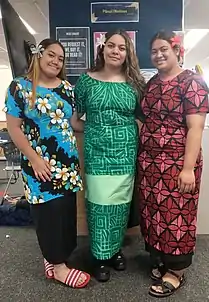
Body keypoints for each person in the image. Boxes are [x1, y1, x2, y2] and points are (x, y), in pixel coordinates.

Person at [3, 38, 90, 288]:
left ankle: (55, 258)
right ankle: (58, 267)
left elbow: (73, 123)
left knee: (64, 215)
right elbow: (14, 127)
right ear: (38, 55)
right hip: (40, 165)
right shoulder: (20, 87)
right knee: (48, 215)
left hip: (67, 166)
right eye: (51, 55)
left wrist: (101, 127)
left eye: (61, 58)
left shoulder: (65, 87)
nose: (56, 61)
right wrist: (35, 159)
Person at [137, 31, 209, 298]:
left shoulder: (192, 82)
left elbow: (195, 128)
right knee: (155, 215)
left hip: (179, 163)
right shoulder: (152, 83)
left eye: (164, 49)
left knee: (177, 216)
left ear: (177, 50)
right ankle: (161, 259)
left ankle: (176, 271)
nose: (158, 55)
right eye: (154, 51)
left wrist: (188, 168)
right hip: (151, 164)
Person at [74, 29, 145, 282]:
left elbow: (141, 119)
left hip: (125, 153)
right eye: (111, 45)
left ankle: (114, 250)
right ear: (102, 48)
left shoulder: (135, 83)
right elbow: (75, 120)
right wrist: (98, 130)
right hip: (97, 154)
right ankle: (99, 256)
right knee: (98, 202)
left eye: (122, 47)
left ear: (128, 53)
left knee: (120, 204)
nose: (116, 51)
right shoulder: (86, 81)